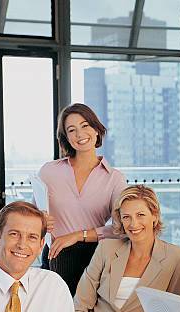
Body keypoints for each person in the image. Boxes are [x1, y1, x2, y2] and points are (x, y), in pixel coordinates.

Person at [74, 185, 180, 312]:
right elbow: (78, 308)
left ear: (154, 216)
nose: (133, 224)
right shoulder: (106, 249)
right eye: (126, 217)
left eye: (140, 215)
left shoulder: (177, 258)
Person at [36, 103, 127, 295]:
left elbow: (122, 228)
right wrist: (40, 220)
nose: (80, 134)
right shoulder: (49, 171)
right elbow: (32, 216)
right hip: (56, 256)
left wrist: (78, 235)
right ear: (66, 138)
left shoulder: (114, 178)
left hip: (95, 256)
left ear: (96, 129)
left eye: (85, 125)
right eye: (72, 130)